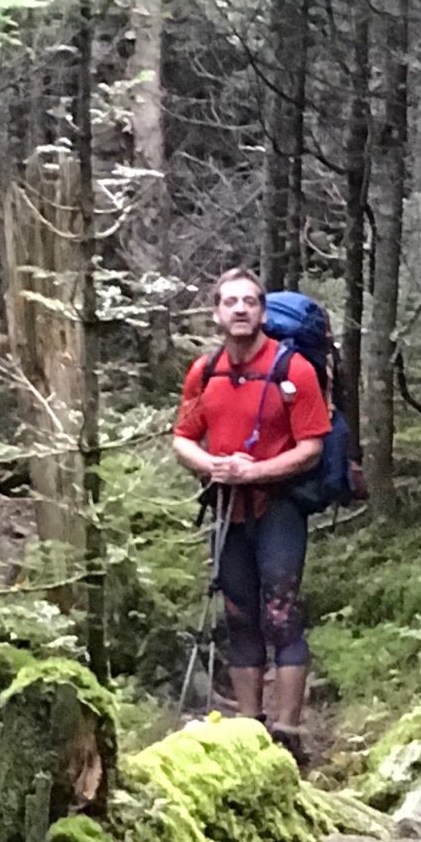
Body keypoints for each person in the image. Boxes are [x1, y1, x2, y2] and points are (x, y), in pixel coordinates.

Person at [172, 268, 330, 765]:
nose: (240, 309)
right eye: (231, 302)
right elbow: (183, 437)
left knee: (281, 616)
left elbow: (311, 447)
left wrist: (255, 472)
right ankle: (249, 731)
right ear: (216, 313)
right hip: (227, 508)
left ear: (262, 311)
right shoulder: (205, 372)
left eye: (250, 301)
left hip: (278, 506)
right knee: (239, 617)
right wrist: (212, 466)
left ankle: (288, 734)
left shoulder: (294, 370)